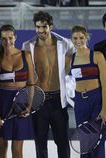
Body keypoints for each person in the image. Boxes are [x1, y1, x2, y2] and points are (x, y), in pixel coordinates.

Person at [22, 11, 74, 158]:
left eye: (44, 27)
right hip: (40, 101)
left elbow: (70, 64)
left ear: (50, 26)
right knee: (40, 143)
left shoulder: (65, 44)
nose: (40, 30)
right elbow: (31, 78)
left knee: (62, 142)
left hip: (58, 100)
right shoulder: (28, 47)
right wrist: (30, 102)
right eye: (37, 27)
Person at [0, 24, 35, 158]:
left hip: (21, 105)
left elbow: (31, 83)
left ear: (15, 37)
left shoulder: (26, 55)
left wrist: (29, 105)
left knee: (17, 148)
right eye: (4, 39)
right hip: (2, 104)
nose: (7, 41)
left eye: (10, 38)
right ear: (0, 40)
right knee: (1, 147)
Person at [69, 25, 106, 158]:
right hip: (80, 102)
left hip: (96, 100)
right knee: (84, 140)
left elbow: (105, 84)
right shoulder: (70, 59)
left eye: (81, 37)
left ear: (87, 38)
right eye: (75, 38)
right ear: (71, 39)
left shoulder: (97, 56)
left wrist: (104, 109)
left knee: (98, 139)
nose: (78, 40)